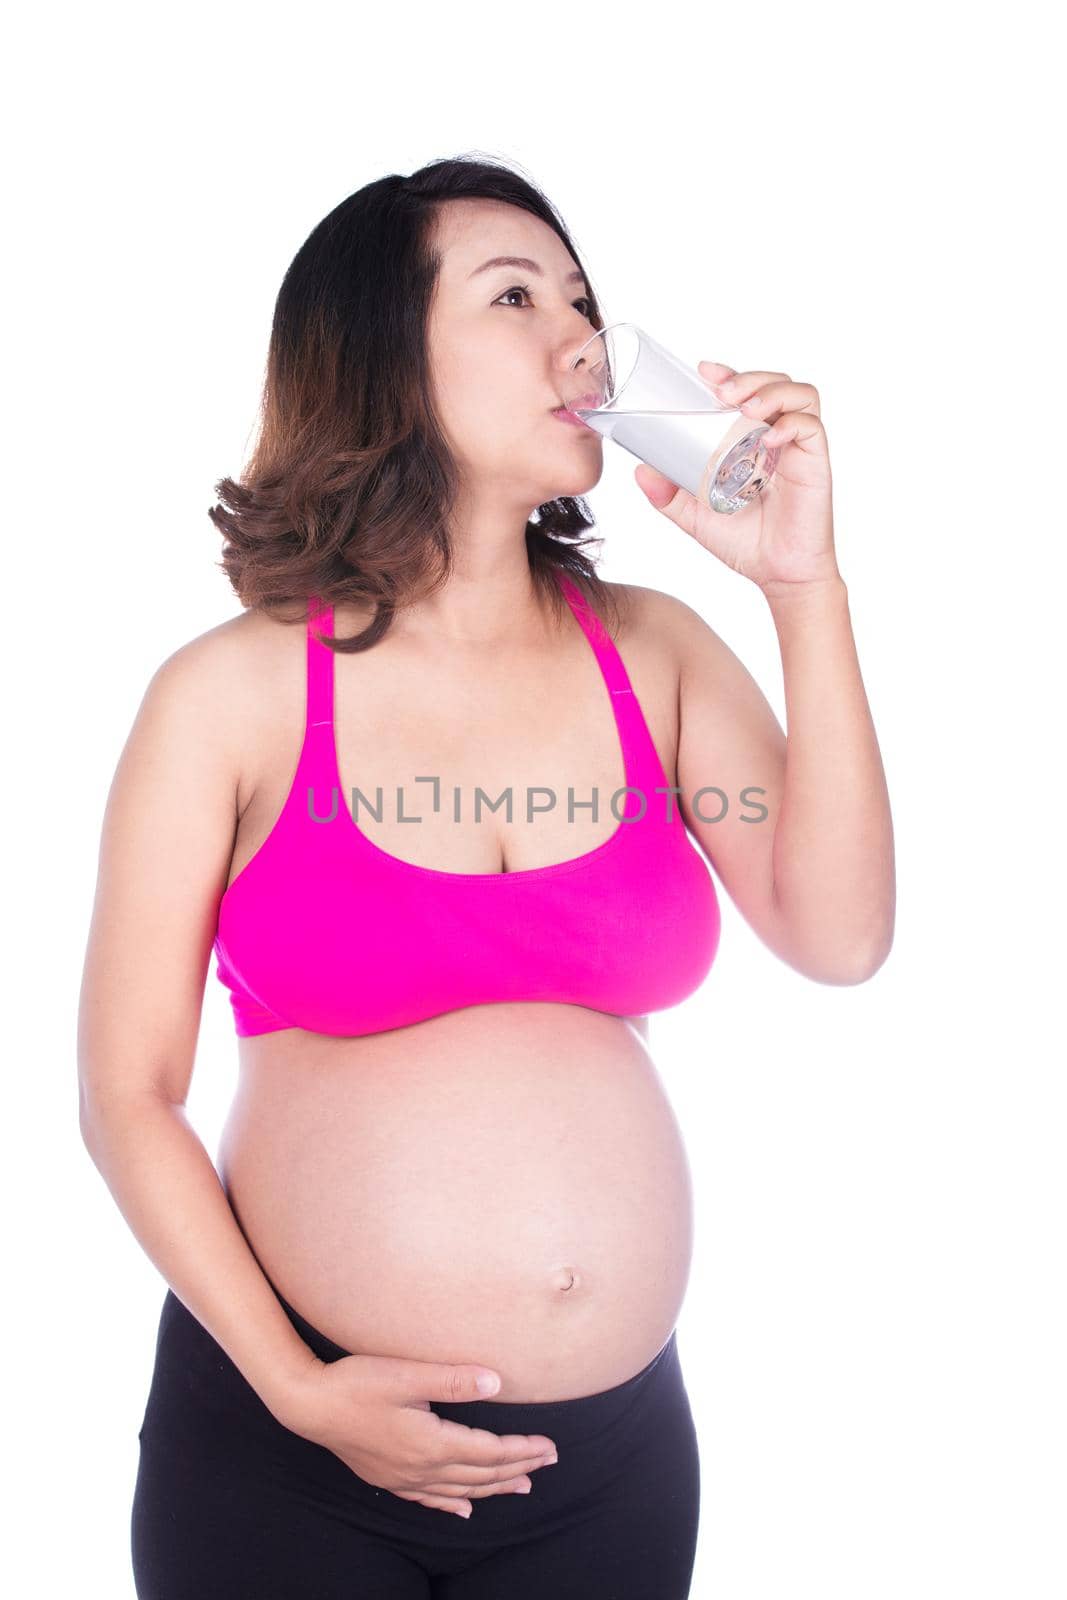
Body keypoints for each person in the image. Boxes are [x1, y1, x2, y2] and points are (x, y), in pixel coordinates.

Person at [78, 154, 894, 1599]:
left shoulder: (654, 653)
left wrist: (800, 588)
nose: (579, 335)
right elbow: (127, 1096)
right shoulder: (233, 696)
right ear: (383, 365)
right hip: (291, 1451)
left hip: (612, 1472)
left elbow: (840, 938)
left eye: (580, 296)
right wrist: (291, 1385)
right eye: (515, 296)